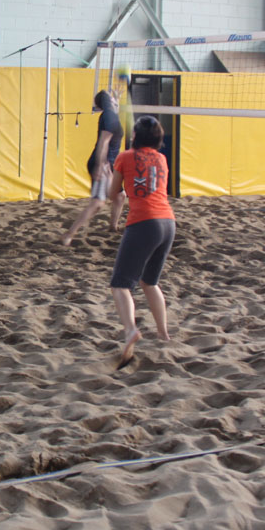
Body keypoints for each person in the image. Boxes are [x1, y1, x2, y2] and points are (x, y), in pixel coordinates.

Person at [109, 116, 176, 369]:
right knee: (150, 282)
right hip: (168, 222)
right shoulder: (162, 159)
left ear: (135, 136)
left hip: (144, 222)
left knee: (120, 284)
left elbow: (113, 193)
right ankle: (164, 334)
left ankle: (130, 330)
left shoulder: (125, 157)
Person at [60, 90, 126, 246]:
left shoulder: (111, 113)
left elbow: (115, 107)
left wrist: (116, 97)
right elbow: (103, 142)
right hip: (103, 163)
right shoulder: (109, 116)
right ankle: (69, 234)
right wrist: (99, 165)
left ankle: (113, 227)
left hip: (109, 164)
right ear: (107, 101)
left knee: (120, 196)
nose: (113, 99)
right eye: (110, 97)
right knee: (98, 203)